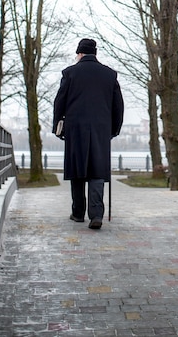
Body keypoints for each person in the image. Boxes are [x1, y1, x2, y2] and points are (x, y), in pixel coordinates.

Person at [53, 38, 124, 229]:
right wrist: (114, 129)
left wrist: (57, 126)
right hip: (101, 130)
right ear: (95, 53)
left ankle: (78, 213)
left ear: (80, 53)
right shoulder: (109, 75)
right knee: (97, 171)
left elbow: (60, 101)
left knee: (77, 171)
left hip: (75, 129)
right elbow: (118, 106)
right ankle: (96, 215)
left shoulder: (70, 73)